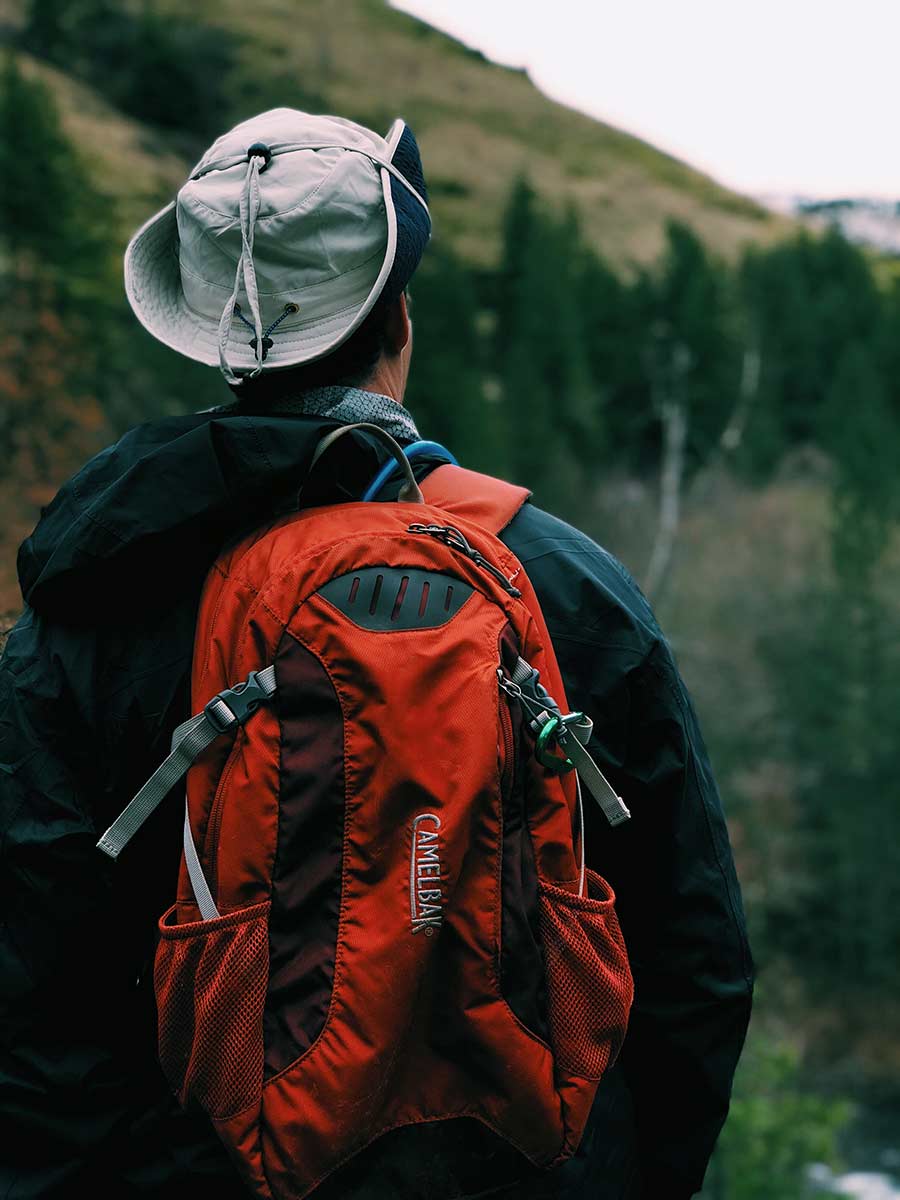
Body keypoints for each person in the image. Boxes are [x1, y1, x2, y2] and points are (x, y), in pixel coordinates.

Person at [0, 108, 753, 1200]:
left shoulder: (88, 604)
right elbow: (698, 958)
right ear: (398, 317)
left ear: (212, 331)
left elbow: (29, 989)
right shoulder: (563, 580)